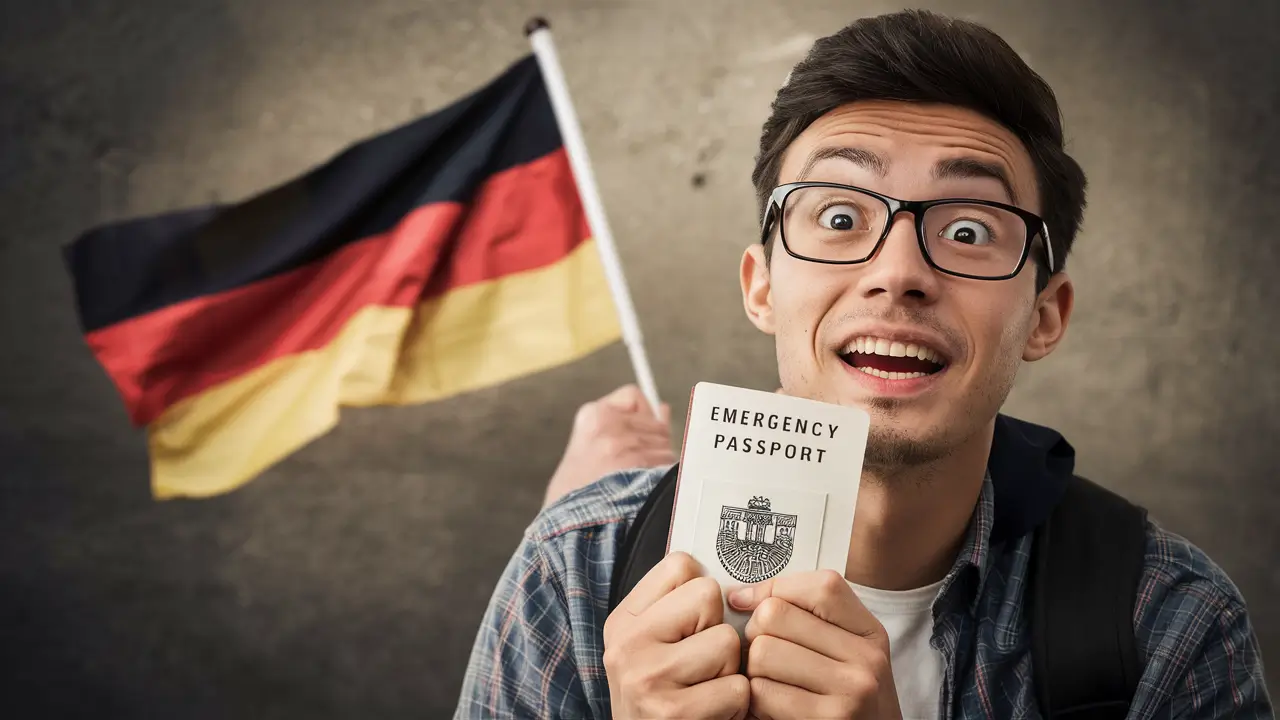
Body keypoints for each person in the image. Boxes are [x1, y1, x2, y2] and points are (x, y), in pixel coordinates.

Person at [456, 10, 1272, 719]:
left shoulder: (1169, 621)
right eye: (841, 214)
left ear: (1045, 316)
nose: (899, 272)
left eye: (967, 230)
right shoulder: (571, 573)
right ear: (763, 286)